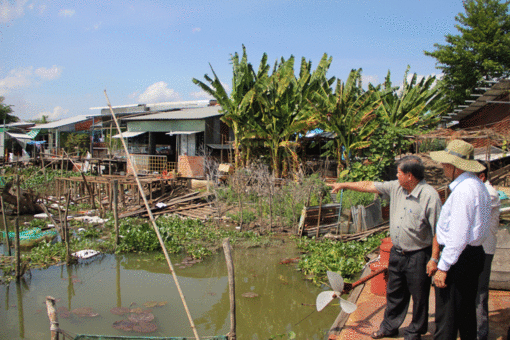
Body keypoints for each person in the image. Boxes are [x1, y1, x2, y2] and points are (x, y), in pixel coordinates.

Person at [329, 155, 442, 340]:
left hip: (419, 254)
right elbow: (368, 185)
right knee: (394, 292)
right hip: (397, 253)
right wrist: (343, 185)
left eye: (399, 173)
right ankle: (389, 327)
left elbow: (439, 230)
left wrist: (434, 259)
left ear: (410, 176)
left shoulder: (430, 196)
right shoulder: (396, 187)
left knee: (420, 296)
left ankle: (415, 331)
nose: (396, 176)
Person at [429, 139, 491, 340]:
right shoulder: (478, 186)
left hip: (459, 258)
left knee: (447, 317)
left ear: (454, 166)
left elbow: (458, 235)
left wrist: (444, 266)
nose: (443, 167)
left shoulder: (464, 190)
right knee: (466, 313)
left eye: (445, 163)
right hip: (472, 254)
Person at [476, 163, 500, 340]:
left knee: (480, 291)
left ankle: (480, 332)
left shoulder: (489, 193)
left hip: (484, 249)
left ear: (482, 177)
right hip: (476, 248)